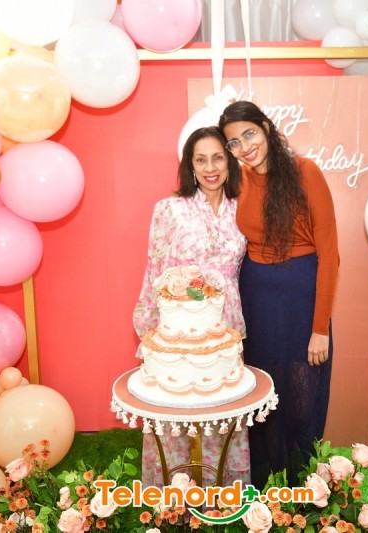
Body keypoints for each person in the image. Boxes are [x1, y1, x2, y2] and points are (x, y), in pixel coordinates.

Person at [219, 100, 340, 488]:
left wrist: (320, 328)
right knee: (262, 398)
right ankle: (261, 492)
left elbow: (330, 254)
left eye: (249, 134)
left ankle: (301, 493)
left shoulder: (306, 172)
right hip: (257, 298)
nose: (244, 147)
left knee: (301, 401)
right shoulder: (238, 180)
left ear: (267, 128)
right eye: (234, 142)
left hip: (302, 296)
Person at [133, 126, 249, 487]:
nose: (210, 168)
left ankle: (223, 496)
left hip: (225, 325)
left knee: (223, 414)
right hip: (179, 329)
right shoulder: (169, 209)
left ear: (229, 162)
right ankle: (174, 496)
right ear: (190, 165)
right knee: (176, 413)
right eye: (201, 160)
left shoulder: (243, 208)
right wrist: (151, 327)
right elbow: (155, 267)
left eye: (217, 158)